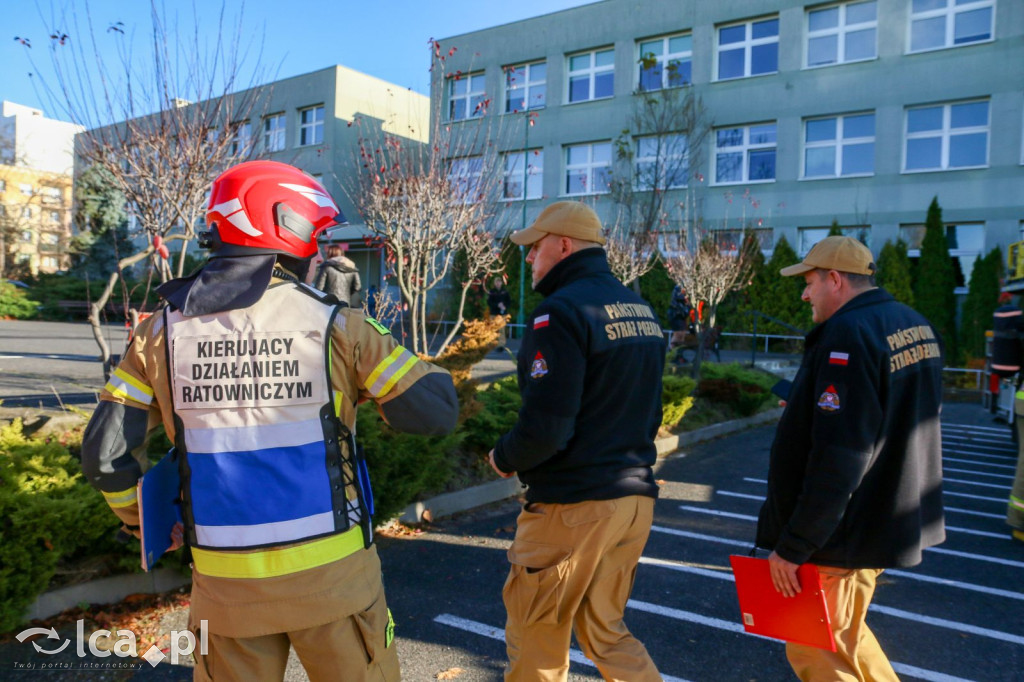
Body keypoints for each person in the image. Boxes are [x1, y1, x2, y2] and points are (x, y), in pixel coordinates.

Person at [80, 160, 458, 682]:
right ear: (290, 228)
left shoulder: (158, 333)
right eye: (317, 240)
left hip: (224, 592)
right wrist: (363, 342)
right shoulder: (336, 324)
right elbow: (437, 411)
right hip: (336, 585)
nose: (320, 253)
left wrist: (140, 523)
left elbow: (103, 457)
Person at [487, 201, 665, 682]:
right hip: (632, 501)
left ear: (563, 245)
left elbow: (548, 426)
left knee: (535, 637)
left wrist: (503, 456)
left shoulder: (560, 312)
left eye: (535, 247)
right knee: (606, 632)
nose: (528, 259)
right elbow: (652, 410)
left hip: (574, 508)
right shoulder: (640, 309)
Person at [755, 235, 945, 682]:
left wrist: (793, 546)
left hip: (840, 533)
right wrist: (807, 406)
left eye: (809, 282)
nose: (804, 294)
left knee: (815, 651)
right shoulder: (912, 323)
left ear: (835, 280)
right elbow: (886, 414)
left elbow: (842, 454)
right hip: (879, 518)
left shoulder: (848, 333)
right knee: (847, 637)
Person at [667, 284, 691, 364]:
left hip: (681, 317)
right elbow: (678, 299)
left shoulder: (684, 290)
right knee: (678, 334)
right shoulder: (678, 289)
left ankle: (679, 355)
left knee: (682, 336)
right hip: (676, 316)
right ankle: (671, 354)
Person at [487, 277, 513, 348]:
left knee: (502, 329)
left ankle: (501, 344)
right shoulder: (492, 292)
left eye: (499, 282)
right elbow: (489, 302)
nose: (498, 283)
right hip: (494, 313)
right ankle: (493, 343)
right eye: (497, 282)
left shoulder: (505, 291)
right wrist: (497, 305)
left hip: (502, 313)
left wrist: (505, 306)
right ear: (494, 283)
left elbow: (509, 301)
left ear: (501, 283)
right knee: (493, 328)